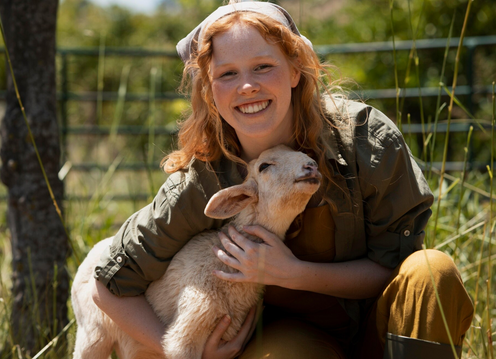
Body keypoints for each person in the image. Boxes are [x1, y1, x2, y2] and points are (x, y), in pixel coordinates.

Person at [90, 1, 474, 358]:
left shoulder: (365, 141)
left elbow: (398, 268)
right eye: (227, 74)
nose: (247, 86)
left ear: (295, 69)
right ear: (209, 91)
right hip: (293, 341)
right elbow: (109, 285)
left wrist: (294, 273)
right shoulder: (204, 180)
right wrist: (183, 350)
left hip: (383, 326)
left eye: (262, 66)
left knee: (432, 272)